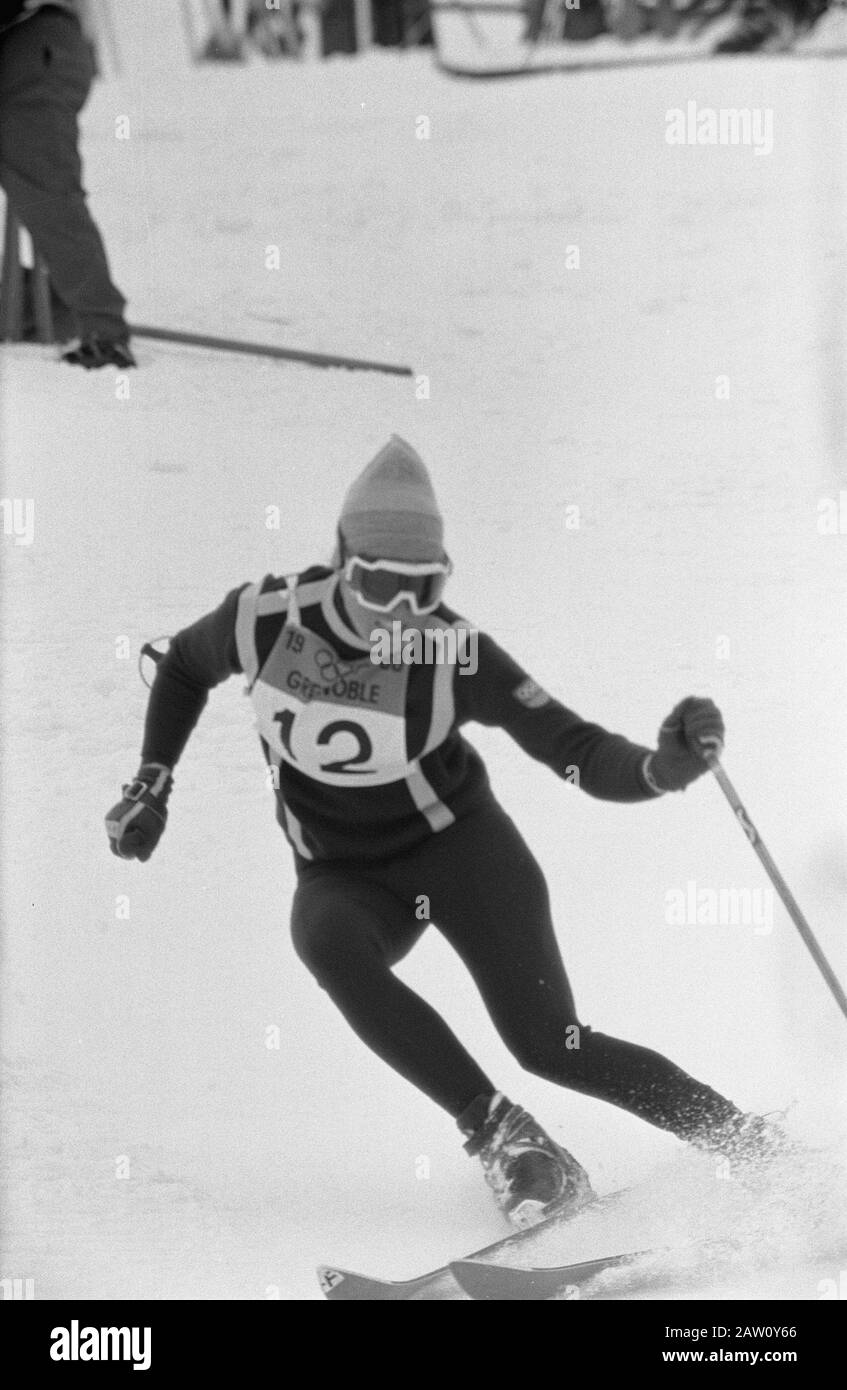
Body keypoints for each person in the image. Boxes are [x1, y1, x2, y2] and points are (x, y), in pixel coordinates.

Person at [106, 436, 782, 1229]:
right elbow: (184, 667)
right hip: (345, 876)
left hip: (463, 854)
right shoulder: (262, 618)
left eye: (423, 588)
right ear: (340, 558)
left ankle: (745, 1142)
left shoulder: (451, 652)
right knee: (324, 940)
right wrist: (152, 783)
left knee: (550, 1043)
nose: (400, 611)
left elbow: (573, 748)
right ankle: (507, 1140)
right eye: (380, 585)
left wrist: (659, 770)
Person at [0, 0, 135, 367]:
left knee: (47, 194)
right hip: (30, 45)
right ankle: (39, 307)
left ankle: (102, 331)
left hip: (35, 46)